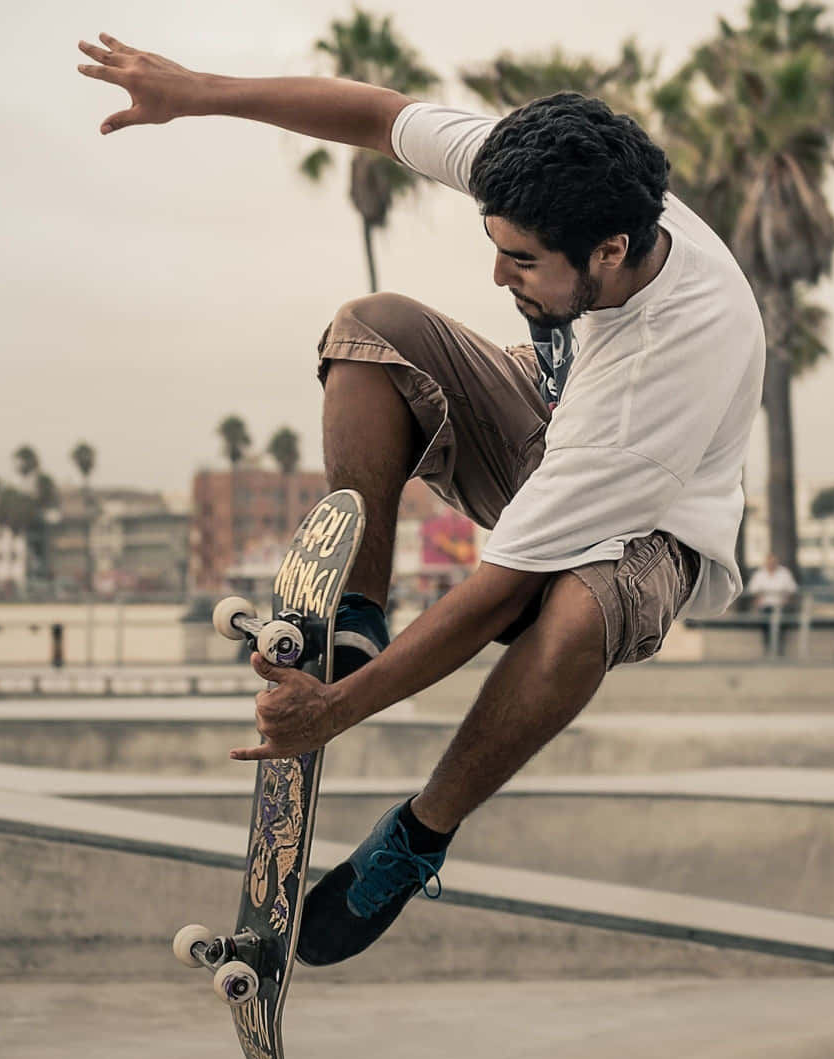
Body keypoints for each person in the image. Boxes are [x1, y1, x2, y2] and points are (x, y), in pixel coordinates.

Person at [78, 36, 763, 965]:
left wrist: (339, 711)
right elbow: (374, 113)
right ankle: (356, 611)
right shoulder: (550, 174)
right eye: (497, 246)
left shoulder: (663, 371)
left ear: (611, 251)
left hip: (655, 529)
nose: (497, 277)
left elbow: (503, 592)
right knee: (373, 329)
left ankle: (417, 836)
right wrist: (195, 92)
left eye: (522, 262)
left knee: (572, 611)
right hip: (553, 419)